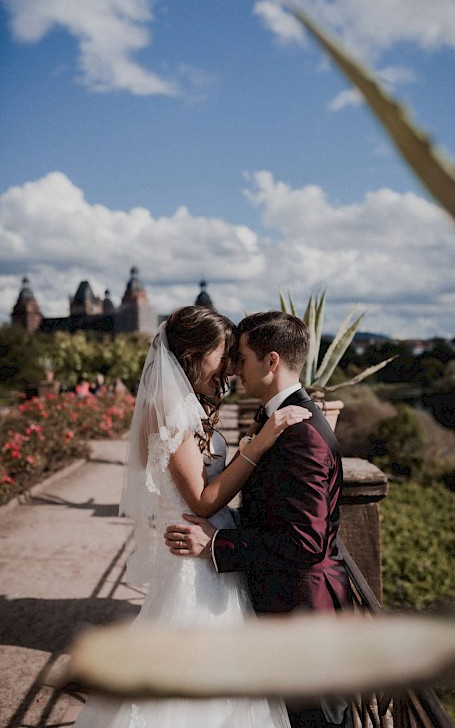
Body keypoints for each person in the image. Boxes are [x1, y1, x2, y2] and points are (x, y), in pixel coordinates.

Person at [73, 305, 310, 728]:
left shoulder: (186, 404)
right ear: (194, 355)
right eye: (223, 356)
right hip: (192, 558)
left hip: (206, 553)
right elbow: (201, 500)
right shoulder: (169, 406)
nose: (231, 368)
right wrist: (256, 446)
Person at [166, 311, 351, 728]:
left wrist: (217, 544)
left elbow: (307, 544)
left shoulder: (301, 432)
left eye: (242, 357)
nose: (234, 368)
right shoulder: (278, 419)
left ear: (271, 362)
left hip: (303, 613)